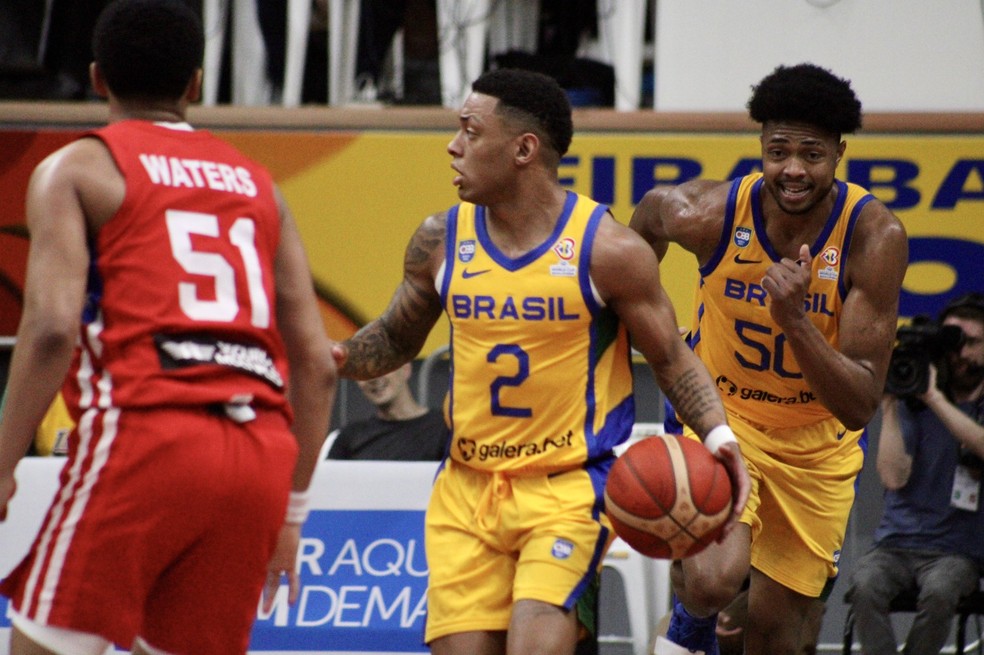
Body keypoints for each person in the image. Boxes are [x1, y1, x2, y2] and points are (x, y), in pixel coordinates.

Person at [331, 66, 750, 655]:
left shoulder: (609, 249)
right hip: (465, 489)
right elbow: (398, 338)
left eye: (471, 132)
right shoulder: (440, 239)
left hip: (567, 490)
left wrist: (720, 437)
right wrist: (334, 357)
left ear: (524, 149)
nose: (453, 146)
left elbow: (671, 360)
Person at [0, 1, 337, 653]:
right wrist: (292, 516)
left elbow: (47, 329)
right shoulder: (260, 186)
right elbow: (319, 366)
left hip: (147, 436)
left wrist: (4, 464)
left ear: (97, 79)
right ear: (197, 83)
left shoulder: (77, 168)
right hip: (257, 459)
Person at [629, 62, 909, 655]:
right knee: (711, 580)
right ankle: (684, 637)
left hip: (817, 444)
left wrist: (795, 322)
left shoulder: (874, 237)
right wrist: (639, 318)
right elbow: (649, 216)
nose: (793, 169)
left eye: (811, 153)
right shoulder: (706, 215)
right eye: (778, 150)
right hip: (721, 416)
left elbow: (859, 405)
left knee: (774, 639)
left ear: (838, 153)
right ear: (760, 146)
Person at [847, 293, 984, 655]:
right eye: (954, 342)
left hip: (957, 552)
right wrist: (890, 407)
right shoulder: (914, 399)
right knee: (864, 584)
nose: (960, 353)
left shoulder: (941, 400)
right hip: (895, 544)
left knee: (940, 592)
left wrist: (934, 399)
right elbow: (893, 478)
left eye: (971, 342)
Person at [325, 361, 449, 460]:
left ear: (406, 369)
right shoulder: (348, 438)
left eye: (382, 367)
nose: (373, 378)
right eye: (364, 371)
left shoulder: (446, 429)